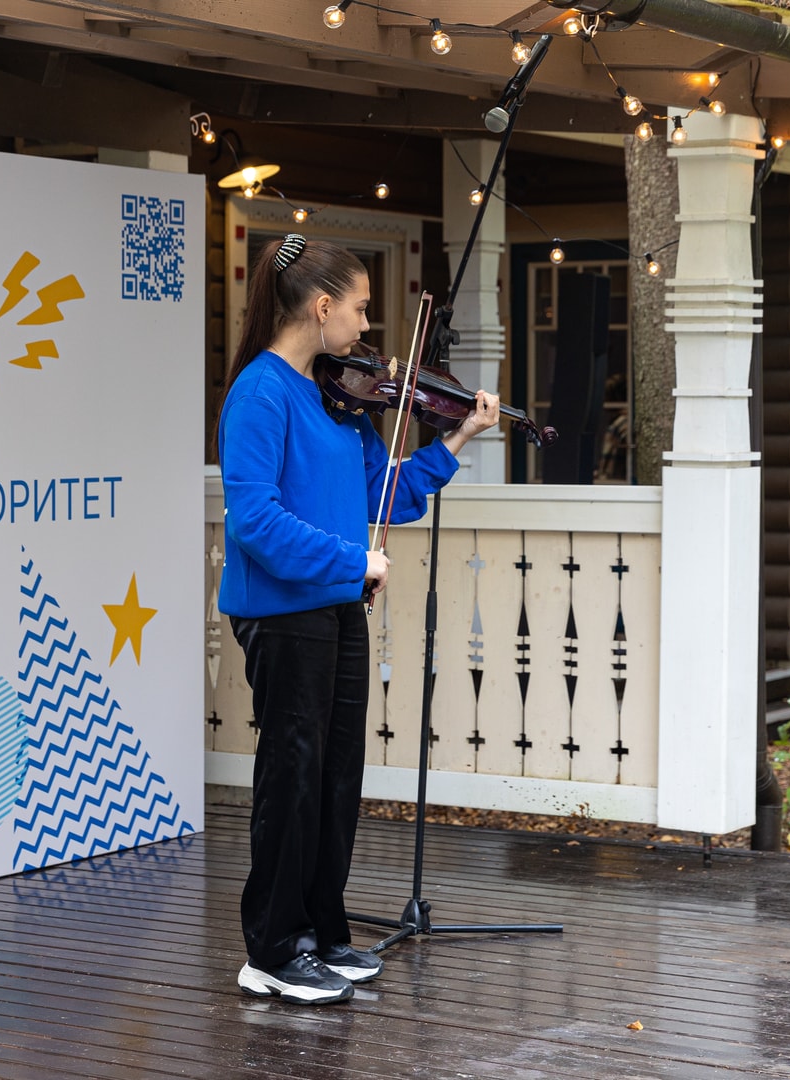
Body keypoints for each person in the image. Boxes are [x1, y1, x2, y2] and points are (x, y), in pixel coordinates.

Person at [217, 234, 500, 1005]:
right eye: (362, 307)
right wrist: (351, 560)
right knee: (292, 778)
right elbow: (254, 522)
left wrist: (458, 437)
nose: (368, 325)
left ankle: (321, 933)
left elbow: (388, 496)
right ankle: (272, 951)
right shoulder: (260, 393)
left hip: (337, 607)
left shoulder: (338, 398)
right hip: (283, 614)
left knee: (337, 776)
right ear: (322, 307)